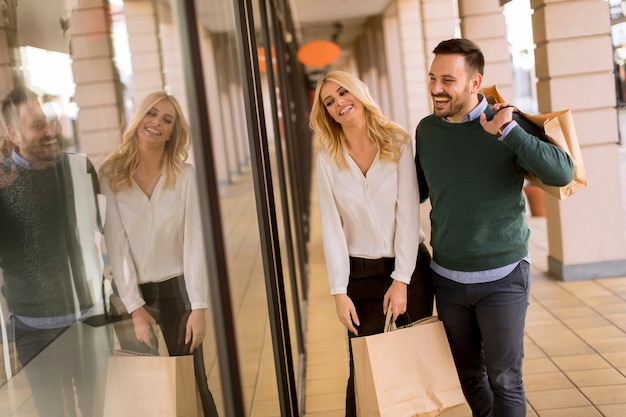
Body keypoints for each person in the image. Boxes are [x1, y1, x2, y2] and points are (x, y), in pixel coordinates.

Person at [414, 38, 574, 417]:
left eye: (447, 80)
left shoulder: (508, 122)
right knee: (468, 375)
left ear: (474, 82)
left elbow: (562, 173)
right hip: (448, 278)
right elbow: (418, 191)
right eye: (433, 78)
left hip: (502, 276)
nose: (436, 88)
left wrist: (510, 133)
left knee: (505, 379)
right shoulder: (427, 130)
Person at [310, 70, 433, 416]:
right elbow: (331, 228)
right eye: (329, 102)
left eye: (343, 93)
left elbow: (409, 214)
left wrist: (402, 279)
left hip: (411, 270)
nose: (338, 104)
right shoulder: (327, 159)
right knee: (363, 371)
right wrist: (338, 291)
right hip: (359, 277)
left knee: (414, 362)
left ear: (359, 93)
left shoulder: (398, 141)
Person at [99, 91, 219, 417]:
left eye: (167, 120)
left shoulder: (185, 177)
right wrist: (135, 308)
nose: (156, 123)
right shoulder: (110, 175)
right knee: (148, 393)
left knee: (192, 384)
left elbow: (195, 245)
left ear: (172, 132)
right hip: (133, 298)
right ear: (138, 118)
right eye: (151, 114)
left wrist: (199, 307)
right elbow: (116, 244)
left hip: (178, 293)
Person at [0, 86, 104, 416]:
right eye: (36, 125)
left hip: (89, 320)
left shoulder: (80, 168)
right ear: (12, 133)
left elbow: (102, 233)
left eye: (50, 121)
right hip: (34, 329)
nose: (49, 131)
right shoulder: (2, 182)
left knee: (94, 411)